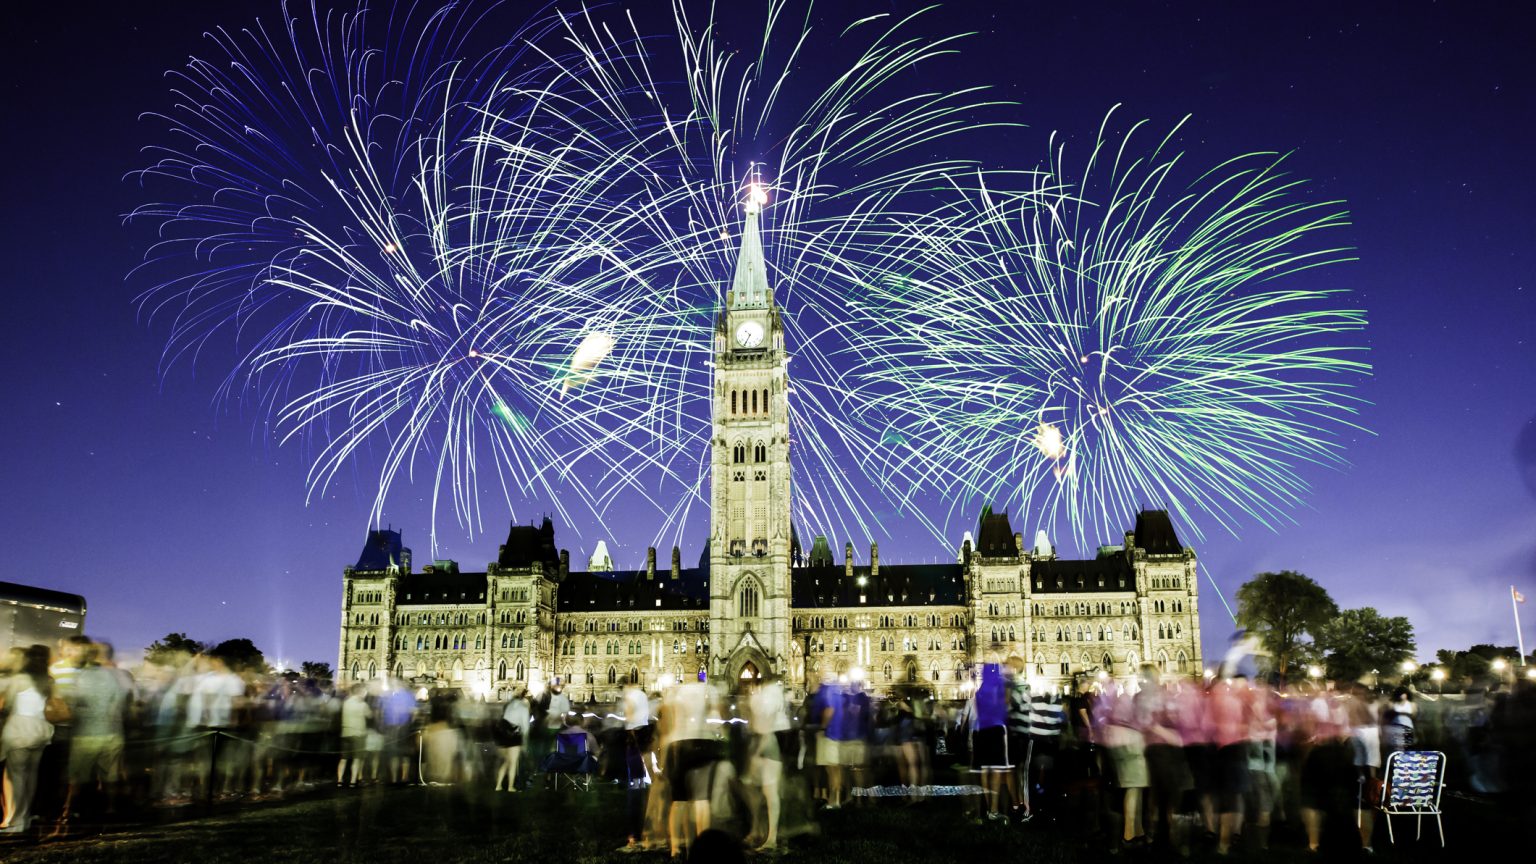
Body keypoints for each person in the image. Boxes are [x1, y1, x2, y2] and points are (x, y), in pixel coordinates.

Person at [1, 645, 56, 834]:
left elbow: (7, 705)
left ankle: (15, 822)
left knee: (16, 776)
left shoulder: (20, 679)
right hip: (40, 728)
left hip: (20, 728)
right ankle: (25, 818)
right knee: (32, 775)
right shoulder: (49, 680)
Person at [495, 689, 529, 792]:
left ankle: (498, 785)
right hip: (514, 736)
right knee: (513, 763)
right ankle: (510, 786)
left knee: (506, 762)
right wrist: (525, 742)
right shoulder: (523, 708)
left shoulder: (510, 706)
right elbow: (525, 727)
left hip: (504, 735)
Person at [337, 684, 370, 787]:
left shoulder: (345, 702)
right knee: (356, 758)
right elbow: (369, 715)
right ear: (360, 692)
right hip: (358, 733)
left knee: (343, 758)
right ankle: (353, 781)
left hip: (345, 733)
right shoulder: (362, 704)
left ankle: (339, 780)